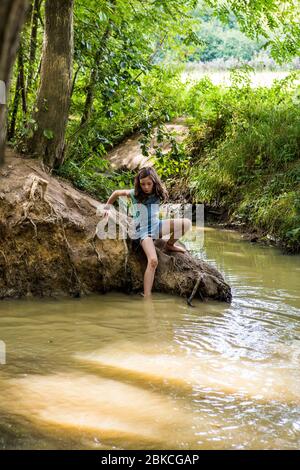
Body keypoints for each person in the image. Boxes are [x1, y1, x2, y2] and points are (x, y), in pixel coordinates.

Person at [102, 166, 192, 298]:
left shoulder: (158, 192)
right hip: (143, 232)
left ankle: (170, 244)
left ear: (154, 182)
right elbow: (116, 193)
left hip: (157, 226)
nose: (145, 187)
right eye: (142, 184)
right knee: (153, 260)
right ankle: (147, 296)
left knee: (187, 223)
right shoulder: (134, 193)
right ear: (138, 183)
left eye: (149, 183)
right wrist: (106, 207)